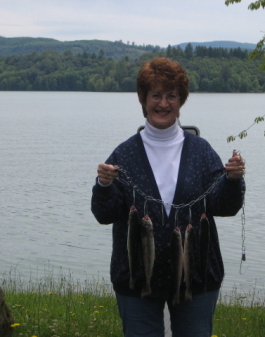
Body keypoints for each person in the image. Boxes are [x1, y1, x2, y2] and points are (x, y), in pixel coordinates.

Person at [91, 57, 245, 337]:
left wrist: (233, 180)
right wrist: (103, 185)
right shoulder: (123, 155)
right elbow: (105, 215)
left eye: (171, 96)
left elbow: (224, 206)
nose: (163, 104)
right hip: (136, 280)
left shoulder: (201, 151)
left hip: (197, 278)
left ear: (181, 100)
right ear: (143, 99)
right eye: (156, 95)